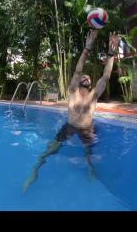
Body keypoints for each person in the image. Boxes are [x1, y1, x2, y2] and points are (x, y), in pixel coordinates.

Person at [23, 30, 120, 193]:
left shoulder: (93, 95)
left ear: (89, 84)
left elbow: (106, 76)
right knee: (48, 152)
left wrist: (111, 54)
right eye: (85, 76)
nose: (86, 77)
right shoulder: (73, 91)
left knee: (89, 156)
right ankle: (34, 173)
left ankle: (91, 172)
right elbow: (78, 70)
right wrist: (87, 49)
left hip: (87, 129)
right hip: (69, 126)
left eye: (88, 77)